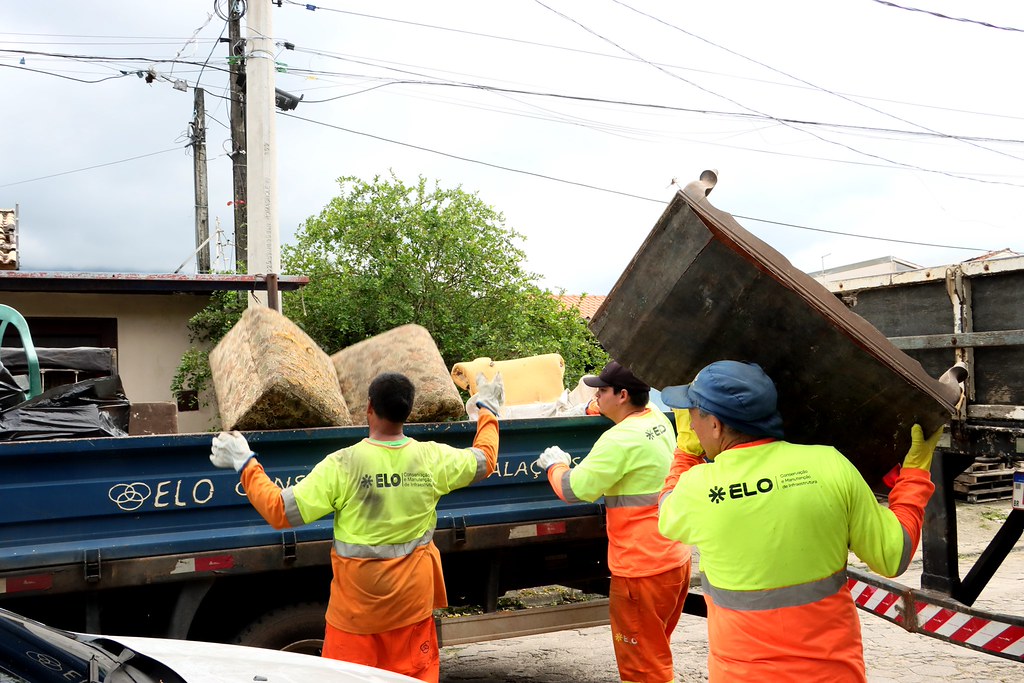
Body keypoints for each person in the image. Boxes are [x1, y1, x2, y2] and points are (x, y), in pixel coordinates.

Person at [657, 360, 944, 682]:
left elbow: (667, 516)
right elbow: (894, 556)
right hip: (833, 673)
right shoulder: (829, 464)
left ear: (716, 425)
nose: (692, 425)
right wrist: (916, 472)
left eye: (694, 413)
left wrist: (685, 453)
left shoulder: (698, 487)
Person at [209, 371, 504, 683]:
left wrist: (246, 463)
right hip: (411, 611)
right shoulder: (431, 458)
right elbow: (485, 459)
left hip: (354, 619)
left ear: (369, 408)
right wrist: (488, 409)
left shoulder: (343, 465)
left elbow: (280, 511)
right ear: (408, 412)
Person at [534, 360, 690, 683]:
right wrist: (595, 409)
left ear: (621, 395)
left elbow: (573, 488)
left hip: (640, 572)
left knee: (642, 672)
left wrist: (556, 465)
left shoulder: (618, 441)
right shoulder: (657, 418)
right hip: (674, 561)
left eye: (601, 391)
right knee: (656, 654)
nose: (596, 396)